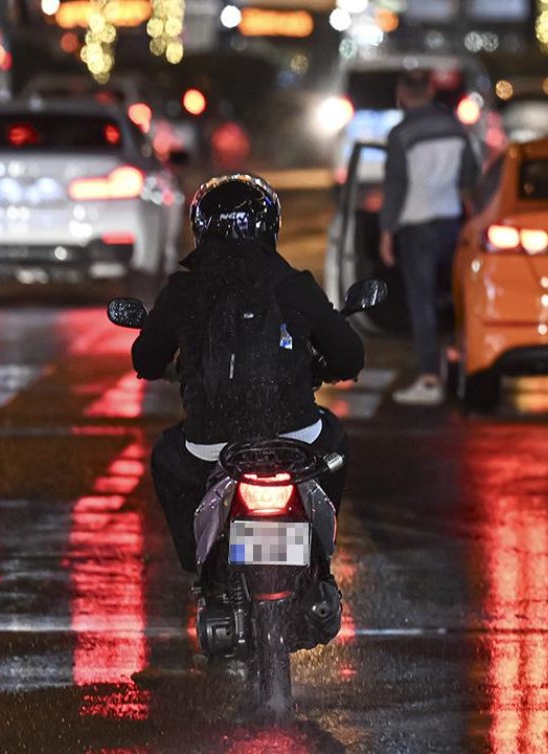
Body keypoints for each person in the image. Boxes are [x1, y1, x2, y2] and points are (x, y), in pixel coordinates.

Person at [131, 175, 365, 623]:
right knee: (335, 438)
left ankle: (200, 567)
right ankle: (322, 562)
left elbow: (145, 357)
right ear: (271, 227)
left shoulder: (184, 290)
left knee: (166, 457)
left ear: (200, 227)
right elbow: (350, 354)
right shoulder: (293, 284)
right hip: (295, 436)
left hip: (211, 443)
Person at [380, 69, 480, 406]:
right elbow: (470, 177)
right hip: (451, 223)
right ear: (431, 91)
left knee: (421, 303)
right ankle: (462, 364)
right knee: (454, 298)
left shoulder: (401, 134)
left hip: (417, 227)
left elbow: (395, 187)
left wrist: (386, 232)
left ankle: (429, 379)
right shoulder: (455, 129)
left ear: (402, 93)